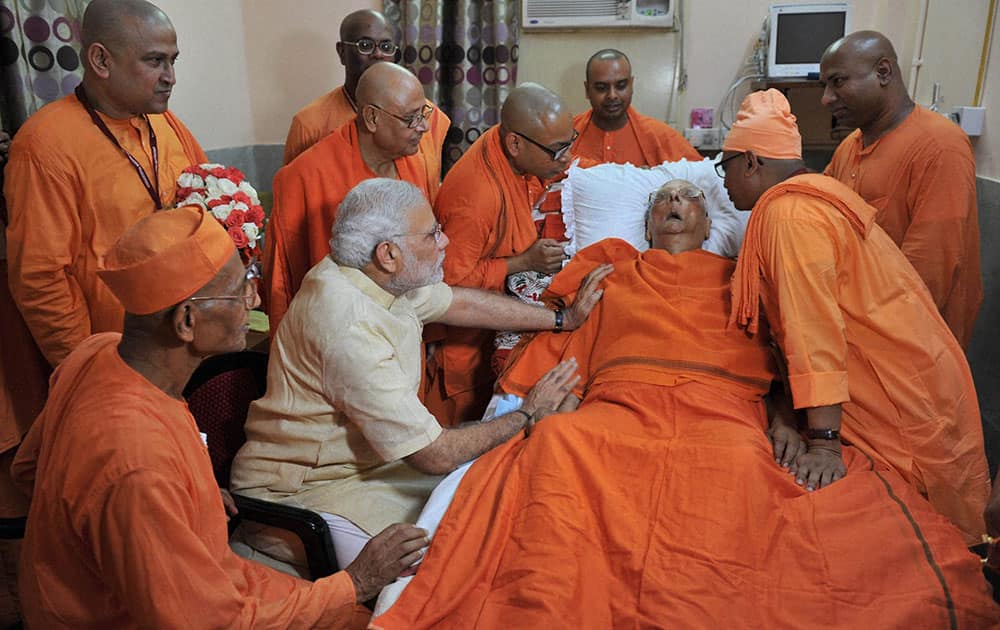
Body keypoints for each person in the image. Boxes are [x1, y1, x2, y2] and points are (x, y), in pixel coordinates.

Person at [371, 180, 999, 628]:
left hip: (720, 417)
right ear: (646, 225)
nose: (674, 204)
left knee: (746, 475)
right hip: (617, 414)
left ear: (710, 221)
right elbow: (561, 347)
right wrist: (532, 405)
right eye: (663, 200)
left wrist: (784, 418)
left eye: (689, 198)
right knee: (561, 444)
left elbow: (788, 354)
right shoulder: (610, 271)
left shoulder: (742, 275)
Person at [11, 205, 434, 628]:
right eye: (239, 290)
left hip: (183, 581)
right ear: (187, 321)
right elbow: (210, 621)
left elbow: (29, 470)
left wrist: (185, 496)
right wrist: (356, 581)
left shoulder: (95, 353)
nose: (253, 299)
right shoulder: (137, 460)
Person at [233, 178, 609, 572]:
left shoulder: (374, 274)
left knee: (489, 501)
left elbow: (459, 304)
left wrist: (562, 319)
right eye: (432, 234)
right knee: (460, 559)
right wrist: (526, 416)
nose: (445, 242)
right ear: (389, 253)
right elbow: (433, 454)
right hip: (301, 493)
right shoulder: (347, 324)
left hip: (369, 467)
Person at [0, 0, 206, 618]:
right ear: (99, 60)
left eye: (173, 60)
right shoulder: (47, 144)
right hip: (104, 375)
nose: (170, 75)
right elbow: (39, 278)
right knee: (105, 535)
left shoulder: (166, 127)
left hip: (169, 361)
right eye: (154, 61)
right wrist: (92, 375)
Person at [720, 88, 989, 544]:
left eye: (722, 168)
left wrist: (824, 441)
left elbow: (812, 331)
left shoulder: (790, 216)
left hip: (904, 399)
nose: (722, 184)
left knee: (945, 537)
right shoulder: (816, 194)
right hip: (916, 378)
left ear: (750, 162)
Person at [425, 83, 577, 426]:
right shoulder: (478, 195)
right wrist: (524, 263)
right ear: (515, 143)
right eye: (557, 150)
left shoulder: (514, 151)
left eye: (571, 141)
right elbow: (450, 285)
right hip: (464, 343)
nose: (566, 157)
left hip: (497, 319)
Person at [820, 31, 982, 348]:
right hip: (857, 330)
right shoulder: (850, 146)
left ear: (883, 72)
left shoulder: (939, 146)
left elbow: (927, 275)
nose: (826, 98)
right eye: (824, 86)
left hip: (912, 344)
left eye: (837, 82)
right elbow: (821, 215)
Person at [265, 62, 445, 331]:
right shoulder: (304, 177)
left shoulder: (415, 161)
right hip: (338, 332)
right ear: (372, 118)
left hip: (406, 320)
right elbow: (282, 282)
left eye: (424, 113)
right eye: (411, 118)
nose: (424, 127)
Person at [281, 8, 449, 167]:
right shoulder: (309, 124)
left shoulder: (429, 118)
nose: (378, 54)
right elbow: (292, 188)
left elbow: (430, 185)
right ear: (342, 52)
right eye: (365, 45)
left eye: (386, 47)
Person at [571, 49, 701, 166]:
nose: (612, 95)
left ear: (631, 85)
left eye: (621, 86)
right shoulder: (566, 136)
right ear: (587, 90)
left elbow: (703, 179)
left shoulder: (661, 136)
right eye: (601, 88)